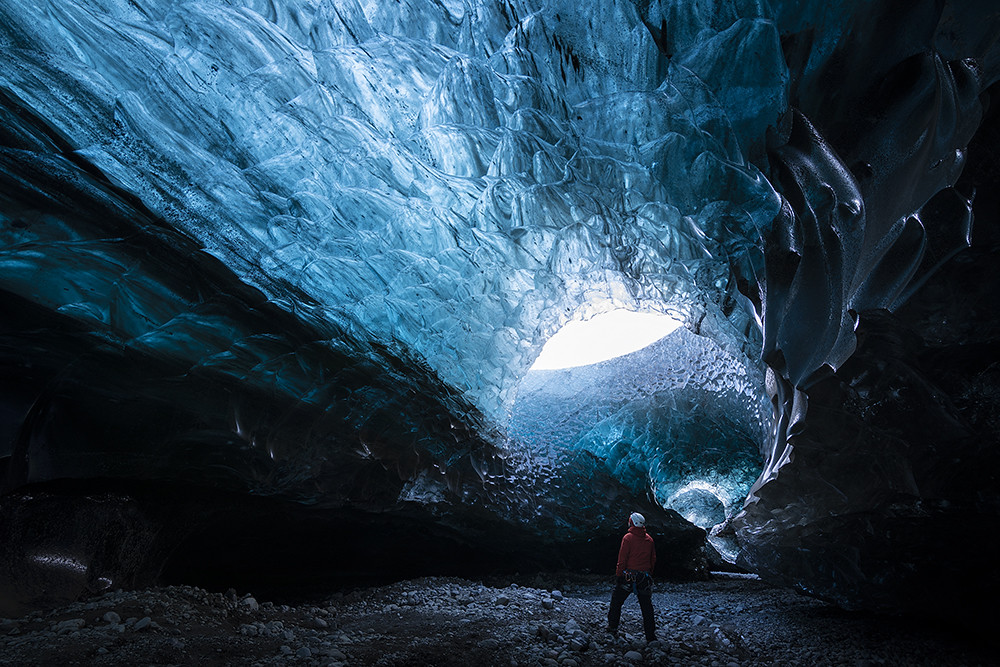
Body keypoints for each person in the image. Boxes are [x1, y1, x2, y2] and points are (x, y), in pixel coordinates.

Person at [607, 511, 656, 642]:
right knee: (647, 607)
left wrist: (618, 574)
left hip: (629, 576)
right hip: (644, 577)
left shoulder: (628, 538)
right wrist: (648, 573)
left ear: (632, 522)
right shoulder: (649, 539)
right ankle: (651, 637)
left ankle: (612, 629)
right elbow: (653, 559)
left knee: (616, 602)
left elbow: (622, 559)